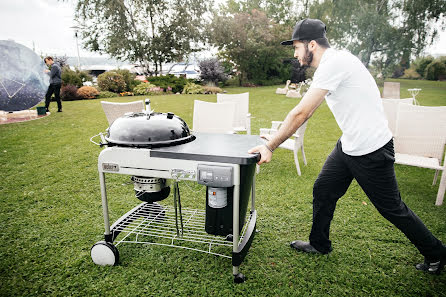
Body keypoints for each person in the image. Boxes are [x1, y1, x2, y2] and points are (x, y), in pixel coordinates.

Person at [248, 18, 445, 274]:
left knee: (392, 209)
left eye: (296, 48)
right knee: (323, 190)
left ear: (312, 45)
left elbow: (302, 113)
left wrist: (271, 145)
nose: (295, 54)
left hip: (372, 148)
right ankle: (319, 244)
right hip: (349, 144)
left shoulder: (334, 63)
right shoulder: (335, 62)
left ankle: (437, 253)